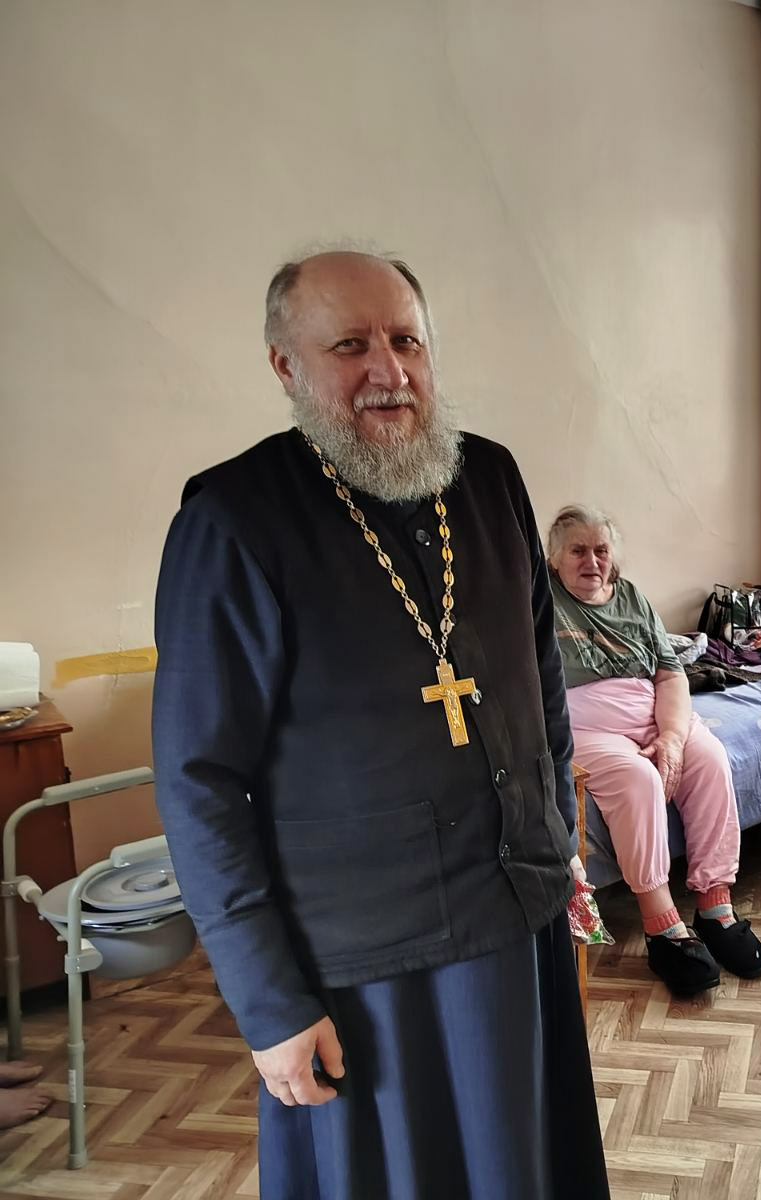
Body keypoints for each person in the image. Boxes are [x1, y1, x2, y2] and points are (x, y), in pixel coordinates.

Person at [151, 250, 608, 1199]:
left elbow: (541, 684)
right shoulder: (234, 522)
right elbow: (200, 784)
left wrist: (559, 836)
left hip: (515, 919)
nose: (389, 370)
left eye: (407, 340)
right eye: (350, 346)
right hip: (365, 962)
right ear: (286, 365)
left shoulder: (490, 479)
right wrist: (267, 1000)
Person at [546, 505, 761, 994]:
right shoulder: (539, 598)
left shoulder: (632, 598)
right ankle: (662, 926)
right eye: (578, 551)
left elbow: (670, 674)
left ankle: (715, 905)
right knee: (639, 779)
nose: (591, 561)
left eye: (601, 550)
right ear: (555, 556)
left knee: (709, 760)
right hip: (586, 726)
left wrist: (670, 737)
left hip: (653, 712)